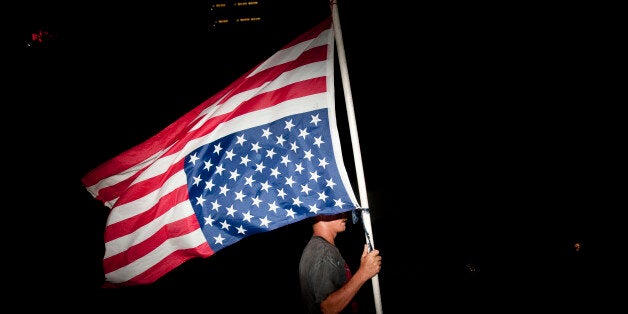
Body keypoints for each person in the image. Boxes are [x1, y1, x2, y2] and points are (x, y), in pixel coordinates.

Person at [299, 212, 382, 313]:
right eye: (338, 211)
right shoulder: (323, 251)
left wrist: (364, 268)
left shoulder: (320, 248)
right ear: (321, 215)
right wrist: (363, 273)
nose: (345, 216)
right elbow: (327, 308)